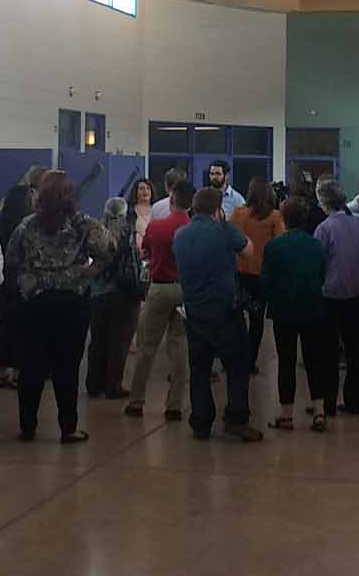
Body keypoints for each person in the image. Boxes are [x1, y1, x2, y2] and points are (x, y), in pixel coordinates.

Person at [2, 170, 115, 443]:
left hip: (34, 303)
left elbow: (11, 259)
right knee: (67, 366)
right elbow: (109, 250)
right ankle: (68, 428)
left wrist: (27, 279)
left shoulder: (27, 225)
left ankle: (27, 426)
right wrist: (90, 270)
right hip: (71, 303)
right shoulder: (83, 224)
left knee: (31, 367)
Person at [173, 187, 263, 442]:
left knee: (199, 370)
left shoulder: (180, 235)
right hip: (224, 311)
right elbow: (249, 250)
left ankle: (201, 421)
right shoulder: (223, 230)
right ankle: (236, 418)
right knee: (237, 366)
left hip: (193, 312)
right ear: (217, 210)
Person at [264, 198, 334, 432]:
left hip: (284, 309)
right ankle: (320, 411)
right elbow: (322, 274)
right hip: (313, 307)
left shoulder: (273, 246)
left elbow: (267, 280)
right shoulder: (316, 245)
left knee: (286, 361)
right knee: (315, 360)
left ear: (282, 218)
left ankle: (286, 415)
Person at [127, 179, 193, 421]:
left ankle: (136, 401)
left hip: (160, 287)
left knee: (147, 346)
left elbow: (144, 251)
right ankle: (174, 405)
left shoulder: (157, 227)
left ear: (172, 199)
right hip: (185, 291)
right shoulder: (193, 228)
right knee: (179, 347)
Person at [315, 178, 359, 414]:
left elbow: (318, 262)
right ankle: (353, 401)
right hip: (357, 293)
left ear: (323, 202)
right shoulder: (357, 225)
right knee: (354, 347)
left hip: (331, 295)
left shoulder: (324, 228)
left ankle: (327, 404)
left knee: (328, 351)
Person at [85, 197, 143, 400]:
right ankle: (113, 385)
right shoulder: (128, 233)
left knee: (98, 340)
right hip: (124, 293)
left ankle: (93, 384)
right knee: (119, 342)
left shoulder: (97, 232)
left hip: (98, 293)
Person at [231, 179, 283, 374]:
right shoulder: (275, 217)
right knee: (257, 320)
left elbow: (229, 237)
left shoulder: (238, 214)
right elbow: (280, 243)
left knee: (236, 318)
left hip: (239, 272)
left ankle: (234, 359)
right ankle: (250, 361)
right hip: (262, 275)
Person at [0, 181, 33, 391]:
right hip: (23, 279)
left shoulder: (0, 224)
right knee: (23, 326)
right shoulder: (28, 225)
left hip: (4, 280)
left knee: (3, 324)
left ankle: (2, 372)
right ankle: (18, 372)